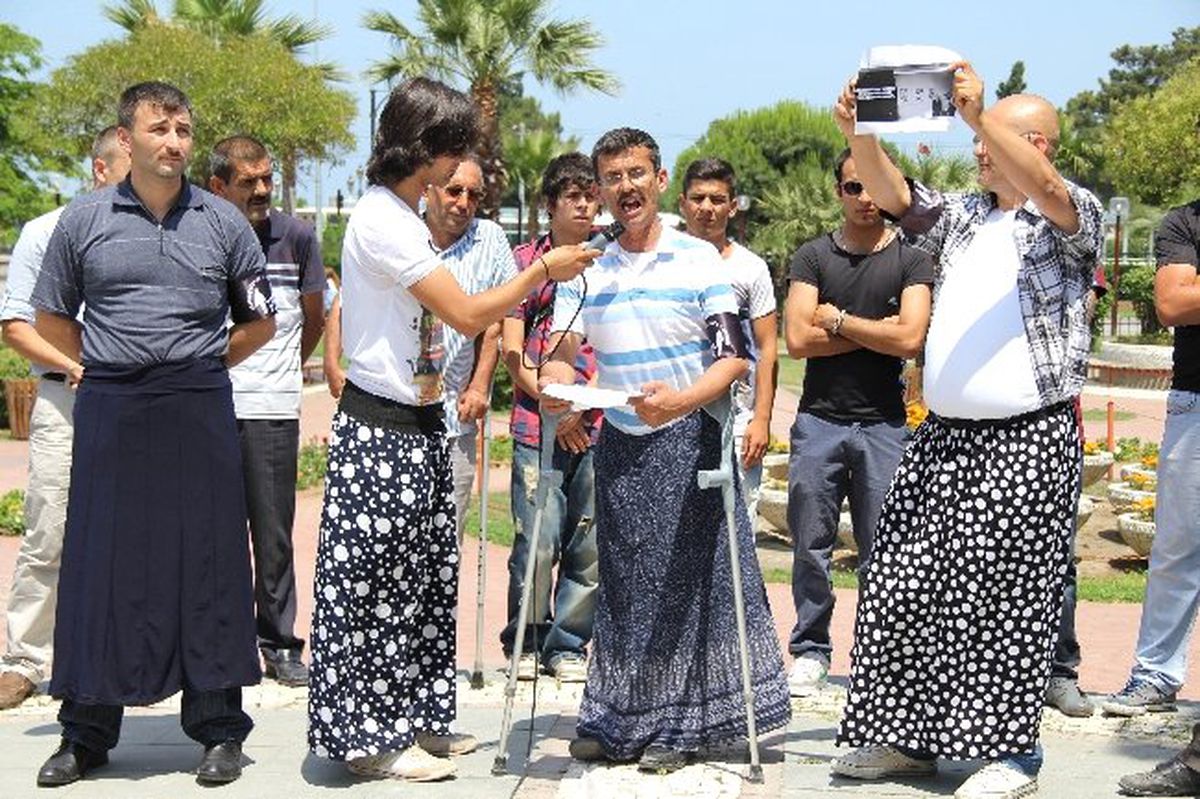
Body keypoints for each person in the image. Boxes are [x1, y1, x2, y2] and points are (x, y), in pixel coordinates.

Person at [305, 77, 595, 783]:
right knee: (373, 586)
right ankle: (369, 737)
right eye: (453, 148)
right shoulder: (380, 218)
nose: (460, 169)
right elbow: (466, 314)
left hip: (423, 423)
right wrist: (543, 271)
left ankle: (420, 717)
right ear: (426, 147)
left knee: (428, 580)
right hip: (382, 428)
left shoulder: (404, 213)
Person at [828, 66, 1103, 799]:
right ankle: (910, 742)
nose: (978, 148)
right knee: (903, 581)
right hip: (945, 437)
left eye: (998, 137)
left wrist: (982, 120)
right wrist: (858, 132)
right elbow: (895, 196)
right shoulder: (967, 217)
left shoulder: (1071, 217)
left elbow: (1046, 189)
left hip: (1026, 438)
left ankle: (1012, 755)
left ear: (1035, 141)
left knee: (1004, 596)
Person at [30, 81, 278, 787]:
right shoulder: (82, 221)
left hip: (198, 401)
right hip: (111, 403)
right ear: (128, 137)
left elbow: (260, 320)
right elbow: (49, 315)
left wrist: (202, 361)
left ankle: (221, 730)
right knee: (99, 562)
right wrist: (96, 363)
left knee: (209, 562)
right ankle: (85, 732)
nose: (173, 142)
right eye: (159, 128)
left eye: (183, 130)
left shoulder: (224, 223)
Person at [540, 128, 791, 773]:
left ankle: (680, 728)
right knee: (624, 583)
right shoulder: (586, 266)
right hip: (622, 440)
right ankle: (613, 716)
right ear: (599, 190)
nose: (625, 188)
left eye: (636, 174)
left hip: (690, 436)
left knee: (686, 584)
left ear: (658, 178)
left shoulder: (700, 261)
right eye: (612, 178)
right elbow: (564, 354)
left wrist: (678, 401)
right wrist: (558, 388)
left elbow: (734, 358)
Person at [782, 148, 933, 696]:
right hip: (819, 422)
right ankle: (810, 649)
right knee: (810, 546)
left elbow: (912, 338)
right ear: (837, 191)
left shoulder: (912, 259)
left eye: (873, 186)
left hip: (886, 426)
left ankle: (879, 657)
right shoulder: (813, 257)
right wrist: (877, 330)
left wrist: (839, 321)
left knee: (886, 551)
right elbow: (798, 340)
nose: (865, 198)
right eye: (853, 187)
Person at [0, 128, 130, 711]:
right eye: (131, 168)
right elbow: (16, 326)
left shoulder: (157, 226)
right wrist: (75, 366)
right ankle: (25, 659)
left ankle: (126, 657)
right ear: (99, 170)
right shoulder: (44, 230)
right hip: (68, 399)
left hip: (136, 403)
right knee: (49, 530)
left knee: (134, 534)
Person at [208, 135, 324, 688]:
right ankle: (221, 645)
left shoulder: (296, 236)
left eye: (266, 179)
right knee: (212, 532)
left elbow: (314, 319)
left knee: (273, 535)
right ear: (218, 185)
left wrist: (280, 371)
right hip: (206, 407)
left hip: (273, 407)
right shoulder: (199, 232)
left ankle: (279, 643)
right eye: (247, 181)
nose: (260, 190)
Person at [500, 152, 602, 683]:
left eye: (590, 194)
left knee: (587, 545)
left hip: (596, 427)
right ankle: (526, 634)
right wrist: (553, 402)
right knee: (537, 542)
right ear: (550, 205)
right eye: (572, 195)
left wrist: (578, 409)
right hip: (535, 423)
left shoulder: (610, 263)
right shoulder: (525, 264)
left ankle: (567, 643)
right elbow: (511, 348)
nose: (584, 204)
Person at [1111, 197, 1200, 797]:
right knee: (1175, 549)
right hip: (1197, 402)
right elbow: (1173, 302)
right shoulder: (1185, 221)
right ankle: (1155, 675)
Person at [677, 157, 778, 529]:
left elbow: (768, 348)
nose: (707, 208)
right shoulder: (664, 262)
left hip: (736, 418)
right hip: (675, 411)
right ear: (682, 203)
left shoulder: (751, 268)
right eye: (698, 198)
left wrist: (762, 420)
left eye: (717, 199)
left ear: (732, 206)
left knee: (738, 533)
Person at [422, 156, 517, 541]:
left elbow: (495, 322)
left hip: (453, 420)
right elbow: (346, 304)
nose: (464, 202)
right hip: (397, 420)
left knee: (445, 546)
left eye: (474, 195)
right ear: (430, 189)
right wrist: (333, 365)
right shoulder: (401, 230)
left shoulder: (490, 238)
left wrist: (479, 386)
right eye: (454, 190)